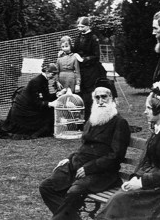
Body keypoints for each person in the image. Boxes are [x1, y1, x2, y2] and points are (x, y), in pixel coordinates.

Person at [97, 82, 160, 220]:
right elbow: (148, 160)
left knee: (120, 200)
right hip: (159, 183)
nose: (145, 112)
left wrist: (141, 182)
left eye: (149, 108)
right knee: (120, 198)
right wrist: (136, 177)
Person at [39, 84, 131, 220]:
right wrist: (69, 158)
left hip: (102, 173)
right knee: (46, 186)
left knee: (74, 191)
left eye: (104, 97)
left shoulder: (119, 122)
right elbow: (84, 147)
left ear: (111, 98)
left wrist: (89, 168)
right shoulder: (93, 119)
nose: (100, 101)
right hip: (78, 166)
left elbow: (116, 156)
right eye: (97, 97)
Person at [0, 63, 59, 139]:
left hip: (30, 104)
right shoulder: (36, 81)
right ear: (47, 71)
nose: (53, 76)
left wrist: (57, 94)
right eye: (52, 74)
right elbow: (35, 102)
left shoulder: (44, 80)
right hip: (24, 108)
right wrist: (50, 103)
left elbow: (46, 96)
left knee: (48, 111)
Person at [72, 17, 108, 121]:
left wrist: (84, 59)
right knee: (80, 92)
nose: (80, 29)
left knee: (89, 94)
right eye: (78, 27)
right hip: (80, 69)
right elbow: (75, 50)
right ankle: (81, 118)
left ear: (88, 26)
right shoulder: (78, 37)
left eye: (82, 27)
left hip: (91, 70)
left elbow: (96, 56)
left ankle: (90, 118)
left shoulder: (93, 38)